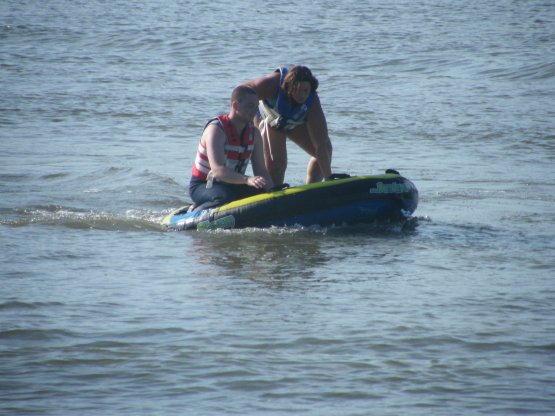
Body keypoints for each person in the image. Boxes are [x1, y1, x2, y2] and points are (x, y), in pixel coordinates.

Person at [240, 65, 333, 186]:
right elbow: (242, 90)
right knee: (278, 164)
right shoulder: (272, 85)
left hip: (290, 121)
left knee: (325, 151)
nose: (301, 95)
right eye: (296, 89)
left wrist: (329, 178)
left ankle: (312, 188)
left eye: (305, 90)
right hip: (267, 118)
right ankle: (271, 189)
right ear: (288, 86)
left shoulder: (313, 102)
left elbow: (320, 145)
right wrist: (242, 120)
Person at [189, 85, 273, 208]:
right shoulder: (216, 130)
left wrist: (272, 192)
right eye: (250, 106)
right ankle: (196, 208)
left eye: (256, 106)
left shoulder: (254, 134)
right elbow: (217, 170)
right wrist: (247, 180)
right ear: (235, 106)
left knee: (262, 191)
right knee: (224, 198)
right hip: (203, 184)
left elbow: (261, 171)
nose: (254, 111)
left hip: (232, 184)